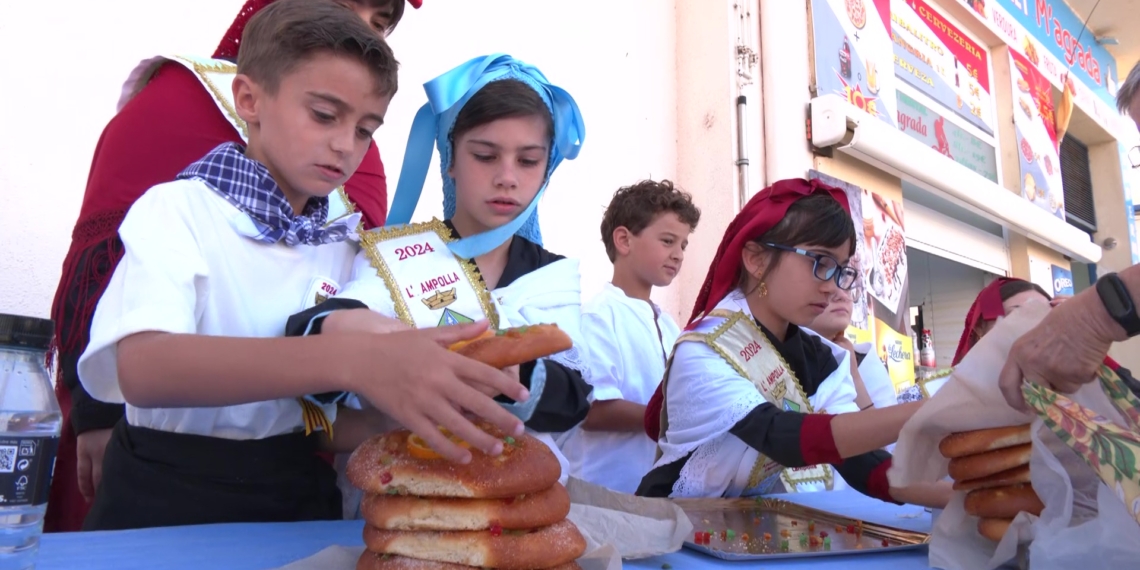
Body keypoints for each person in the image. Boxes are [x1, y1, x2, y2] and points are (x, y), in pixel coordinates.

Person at [75, 0, 525, 531]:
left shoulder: (347, 242)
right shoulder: (179, 210)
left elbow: (311, 424)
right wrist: (348, 360)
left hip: (293, 499)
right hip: (164, 498)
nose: (344, 145)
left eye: (365, 129)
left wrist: (418, 404)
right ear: (249, 98)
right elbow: (146, 370)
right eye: (324, 115)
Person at [287, 55, 592, 485]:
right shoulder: (398, 256)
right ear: (450, 159)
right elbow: (316, 348)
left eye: (527, 161)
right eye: (485, 155)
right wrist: (357, 334)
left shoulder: (553, 275)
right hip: (405, 493)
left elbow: (573, 402)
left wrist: (507, 375)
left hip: (516, 500)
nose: (507, 177)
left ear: (546, 170)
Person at [636, 179, 947, 508]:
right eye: (820, 262)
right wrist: (935, 411)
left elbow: (861, 462)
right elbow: (783, 437)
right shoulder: (705, 348)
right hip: (669, 528)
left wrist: (958, 499)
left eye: (841, 270)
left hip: (735, 527)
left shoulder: (822, 357)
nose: (832, 286)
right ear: (755, 259)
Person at [557, 180, 701, 494]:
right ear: (624, 240)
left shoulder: (670, 326)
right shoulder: (598, 318)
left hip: (654, 496)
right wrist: (671, 418)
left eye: (683, 245)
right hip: (603, 495)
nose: (677, 254)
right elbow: (594, 410)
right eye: (667, 241)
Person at [805, 288, 892, 410]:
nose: (842, 296)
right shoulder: (777, 356)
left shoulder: (865, 360)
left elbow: (888, 427)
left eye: (848, 288)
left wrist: (854, 376)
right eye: (828, 286)